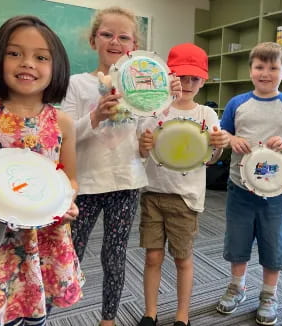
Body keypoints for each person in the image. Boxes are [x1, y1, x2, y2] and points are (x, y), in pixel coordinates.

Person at [0, 15, 83, 325]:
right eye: (14, 53)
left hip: (44, 242)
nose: (27, 63)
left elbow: (71, 178)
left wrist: (68, 200)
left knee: (37, 315)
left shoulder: (63, 123)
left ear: (56, 65)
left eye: (41, 57)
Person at [60, 7, 181, 326]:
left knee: (115, 256)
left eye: (123, 36)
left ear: (133, 46)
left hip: (126, 183)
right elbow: (64, 136)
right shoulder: (77, 84)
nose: (115, 41)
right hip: (83, 185)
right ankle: (51, 308)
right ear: (93, 40)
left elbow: (145, 134)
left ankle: (109, 319)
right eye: (107, 34)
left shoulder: (144, 88)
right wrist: (96, 116)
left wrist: (166, 102)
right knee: (71, 252)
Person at [216, 42, 282, 326]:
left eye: (273, 67)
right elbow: (223, 134)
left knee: (275, 243)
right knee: (238, 240)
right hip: (240, 188)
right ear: (250, 70)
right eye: (260, 67)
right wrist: (232, 140)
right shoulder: (237, 103)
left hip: (277, 192)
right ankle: (237, 286)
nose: (266, 73)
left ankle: (269, 294)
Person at [136, 43, 229, 326]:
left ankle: (182, 315)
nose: (187, 83)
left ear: (203, 81)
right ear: (168, 76)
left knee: (182, 258)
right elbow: (142, 150)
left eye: (194, 78)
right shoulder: (155, 109)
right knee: (153, 257)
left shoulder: (206, 115)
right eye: (181, 77)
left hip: (185, 199)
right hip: (153, 193)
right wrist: (144, 142)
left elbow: (211, 159)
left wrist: (220, 146)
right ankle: (149, 312)